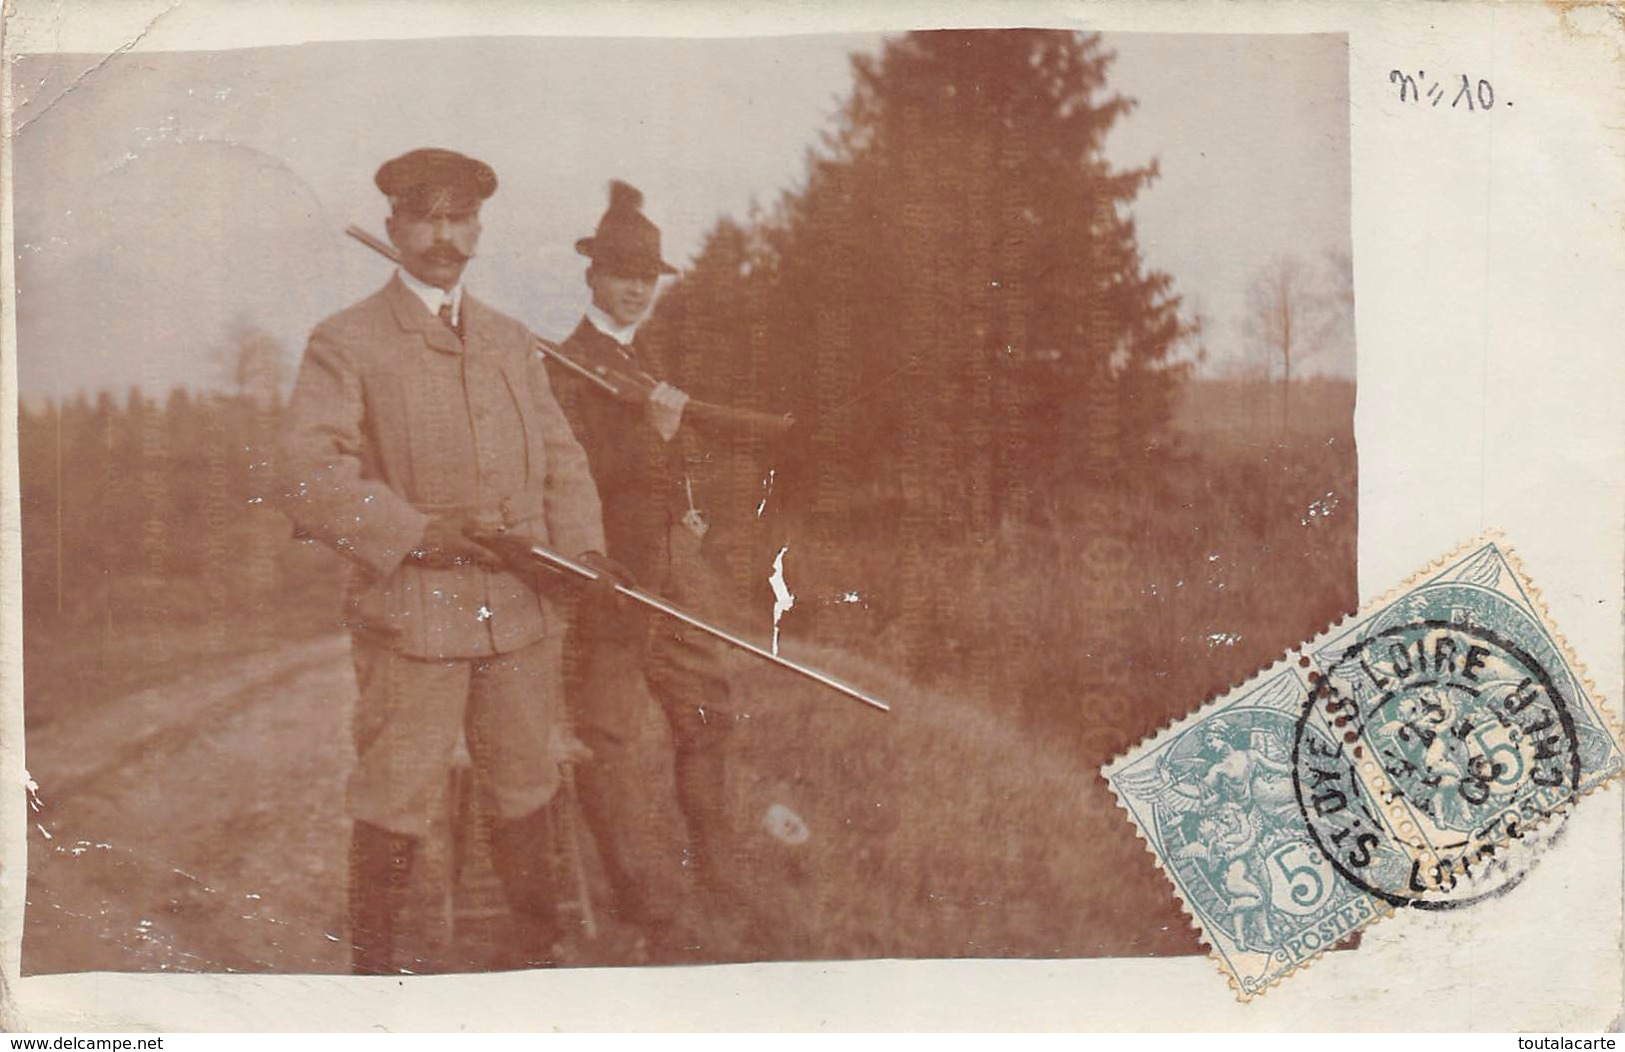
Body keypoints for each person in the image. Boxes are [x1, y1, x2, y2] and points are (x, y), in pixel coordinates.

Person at [277, 148, 615, 974]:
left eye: (459, 218)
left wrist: (584, 553)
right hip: (413, 623)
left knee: (526, 788)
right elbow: (306, 478)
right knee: (394, 799)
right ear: (394, 225)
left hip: (521, 621)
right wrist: (423, 532)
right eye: (425, 217)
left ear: (478, 228)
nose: (443, 236)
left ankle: (534, 964)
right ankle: (372, 979)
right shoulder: (346, 341)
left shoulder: (507, 339)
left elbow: (563, 459)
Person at [546, 180, 741, 955]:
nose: (634, 288)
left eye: (646, 277)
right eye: (621, 273)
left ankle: (718, 870)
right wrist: (656, 441)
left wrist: (687, 505)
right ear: (591, 275)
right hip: (608, 574)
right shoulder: (567, 366)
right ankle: (637, 893)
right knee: (610, 735)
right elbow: (576, 473)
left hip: (672, 570)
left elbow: (672, 457)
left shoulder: (648, 356)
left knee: (709, 713)